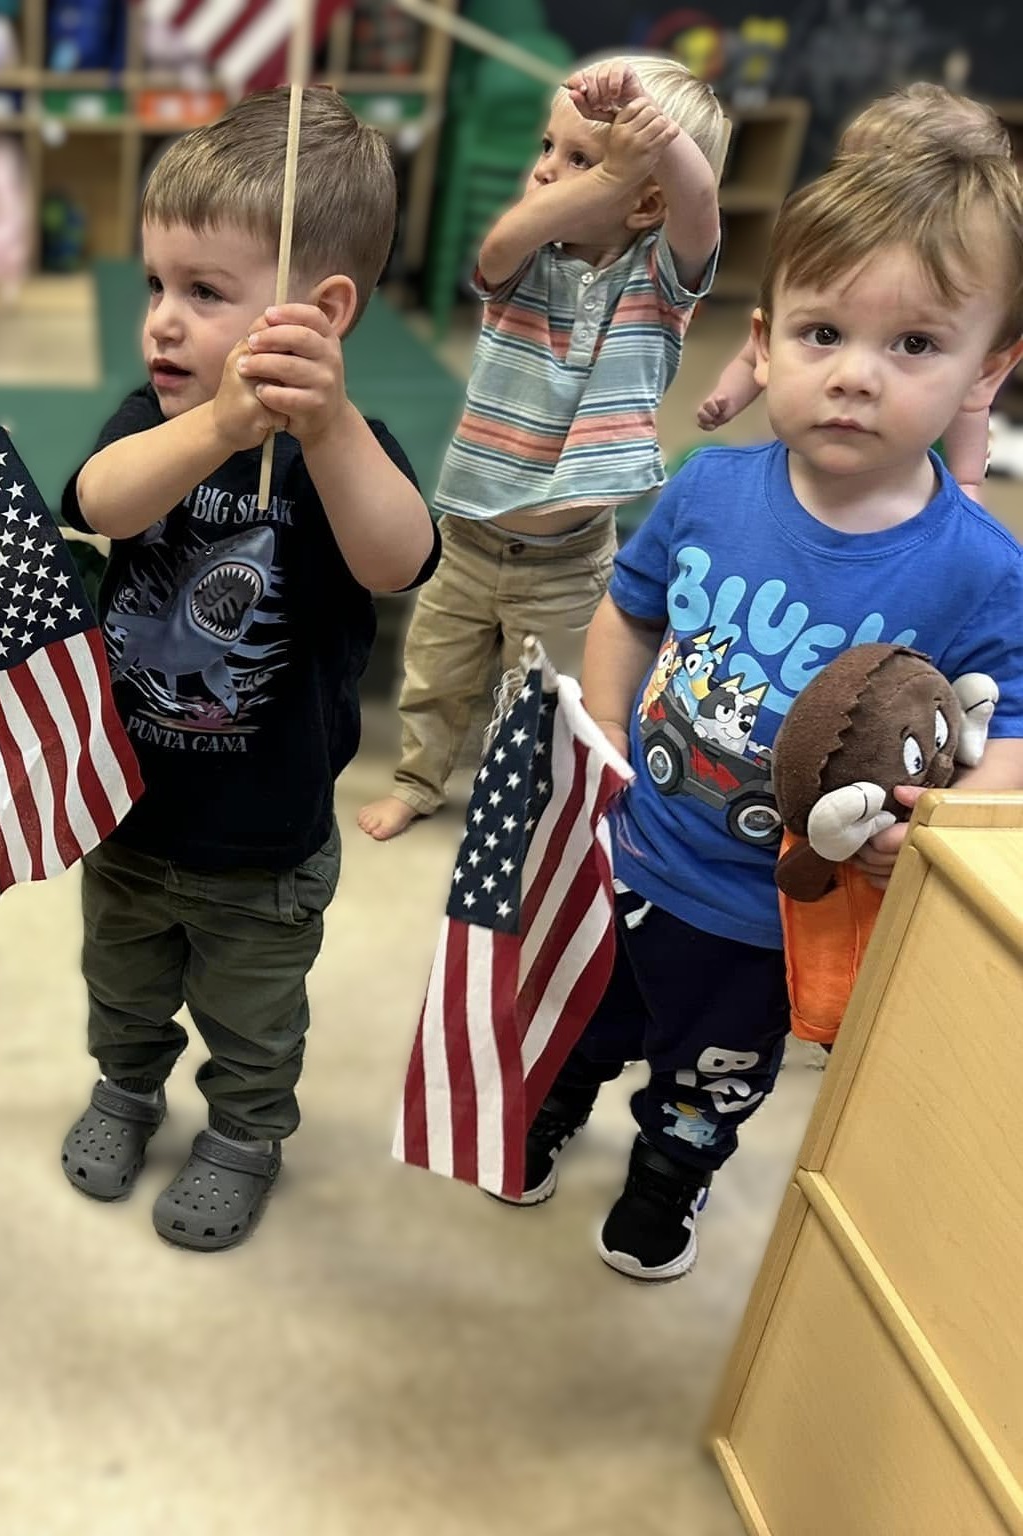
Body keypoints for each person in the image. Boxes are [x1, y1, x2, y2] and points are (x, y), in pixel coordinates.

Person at [498, 143, 1023, 1281]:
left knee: (709, 1076)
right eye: (821, 333)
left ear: (985, 374)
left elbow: (1012, 740)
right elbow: (627, 611)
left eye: (915, 345)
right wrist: (599, 748)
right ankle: (543, 1119)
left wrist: (926, 829)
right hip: (634, 852)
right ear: (761, 339)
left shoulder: (978, 571)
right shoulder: (705, 488)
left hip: (771, 913)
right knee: (578, 1022)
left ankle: (662, 1184)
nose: (853, 376)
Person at [58, 88, 439, 1251]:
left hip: (266, 844)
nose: (162, 324)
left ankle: (242, 1134)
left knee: (254, 1018)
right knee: (121, 990)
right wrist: (217, 428)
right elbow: (97, 502)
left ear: (321, 314)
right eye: (156, 287)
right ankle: (126, 1088)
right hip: (129, 814)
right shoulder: (155, 418)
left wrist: (318, 434)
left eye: (206, 293)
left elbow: (397, 559)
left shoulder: (352, 452)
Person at [358, 55, 727, 841]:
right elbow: (494, 248)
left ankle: (506, 807)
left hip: (566, 558)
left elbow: (698, 202)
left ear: (644, 201)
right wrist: (599, 177)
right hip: (468, 534)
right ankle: (418, 781)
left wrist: (639, 124)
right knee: (434, 675)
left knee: (535, 697)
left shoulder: (659, 280)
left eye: (580, 158)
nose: (546, 170)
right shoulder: (526, 265)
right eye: (547, 149)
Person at [697, 84, 1013, 501]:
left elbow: (972, 409)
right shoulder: (817, 250)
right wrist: (728, 396)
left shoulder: (970, 269)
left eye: (916, 342)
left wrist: (968, 484)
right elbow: (760, 344)